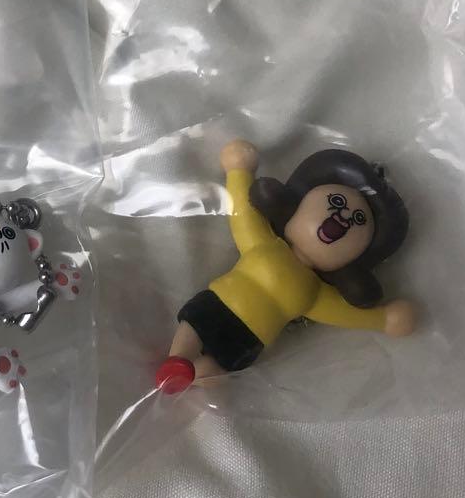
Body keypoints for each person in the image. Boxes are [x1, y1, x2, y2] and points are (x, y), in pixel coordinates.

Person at [155, 140, 415, 394]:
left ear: (354, 260)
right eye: (337, 202)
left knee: (217, 371)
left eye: (358, 219)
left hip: (251, 337)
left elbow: (343, 313)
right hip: (218, 302)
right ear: (297, 206)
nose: (343, 217)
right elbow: (243, 213)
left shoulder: (314, 292)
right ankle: (177, 361)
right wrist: (239, 173)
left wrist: (382, 320)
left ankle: (188, 377)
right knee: (192, 328)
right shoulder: (264, 243)